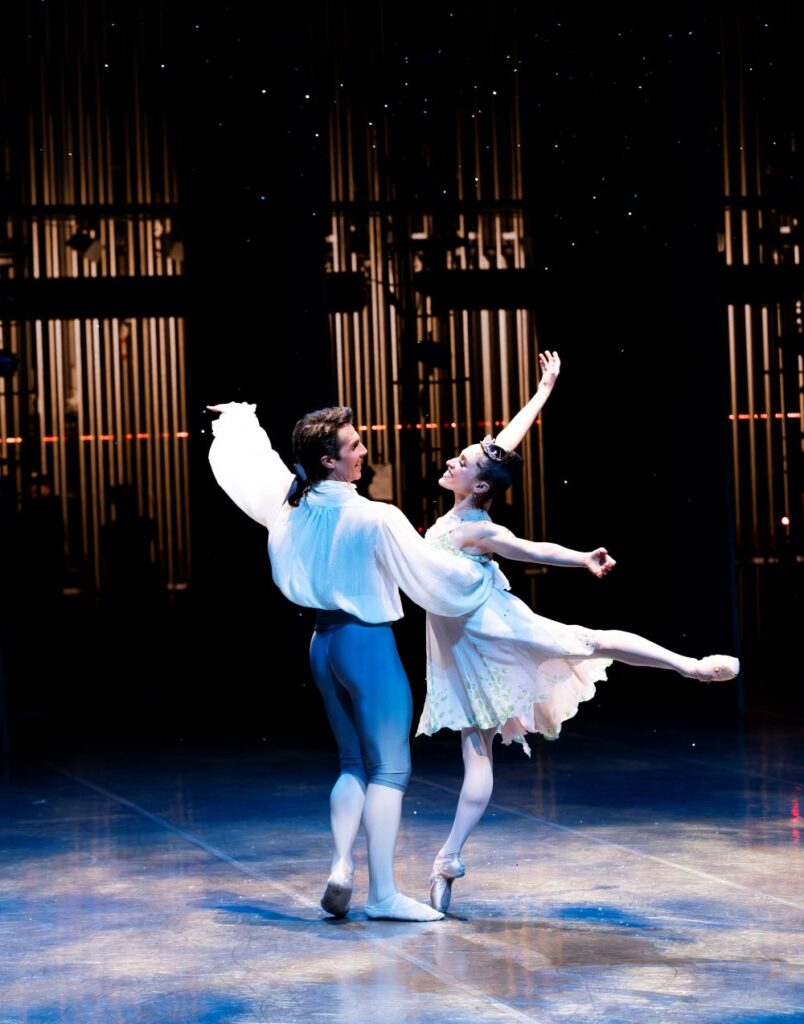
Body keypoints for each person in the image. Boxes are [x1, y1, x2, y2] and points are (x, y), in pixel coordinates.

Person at [416, 351, 740, 913]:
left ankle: (690, 667)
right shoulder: (465, 507)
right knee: (478, 752)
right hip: (463, 646)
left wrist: (581, 558)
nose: (452, 460)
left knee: (588, 641)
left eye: (461, 461)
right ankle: (448, 859)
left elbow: (530, 548)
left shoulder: (476, 528)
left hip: (494, 631)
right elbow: (504, 447)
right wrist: (544, 390)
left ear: (479, 488)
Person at [207, 401, 493, 922]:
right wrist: (480, 574)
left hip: (323, 644)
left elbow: (254, 467)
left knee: (351, 764)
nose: (363, 452)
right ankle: (383, 894)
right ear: (328, 461)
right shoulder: (376, 517)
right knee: (390, 768)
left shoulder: (289, 504)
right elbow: (434, 576)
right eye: (353, 446)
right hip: (366, 645)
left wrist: (238, 420)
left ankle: (341, 865)